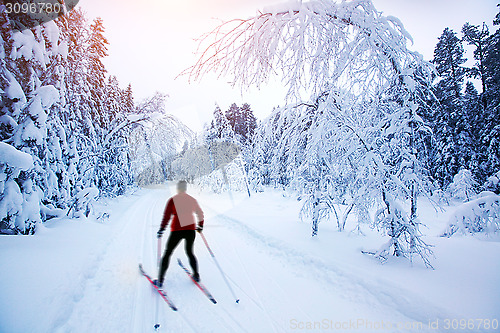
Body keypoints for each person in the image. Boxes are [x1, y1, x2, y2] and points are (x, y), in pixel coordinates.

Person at [155, 180, 204, 288]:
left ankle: (160, 280)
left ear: (178, 189)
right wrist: (200, 226)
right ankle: (196, 275)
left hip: (177, 230)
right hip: (190, 230)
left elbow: (166, 217)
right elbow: (200, 213)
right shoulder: (191, 200)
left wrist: (162, 229)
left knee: (167, 253)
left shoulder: (173, 200)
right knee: (190, 252)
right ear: (185, 189)